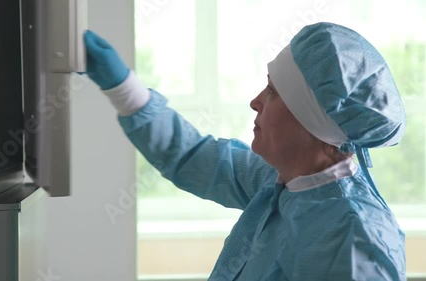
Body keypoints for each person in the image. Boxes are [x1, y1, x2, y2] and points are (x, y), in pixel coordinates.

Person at [83, 22, 406, 280]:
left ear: (313, 120)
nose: (255, 101)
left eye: (273, 91)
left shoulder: (352, 236)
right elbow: (194, 157)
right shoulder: (288, 181)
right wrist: (123, 87)